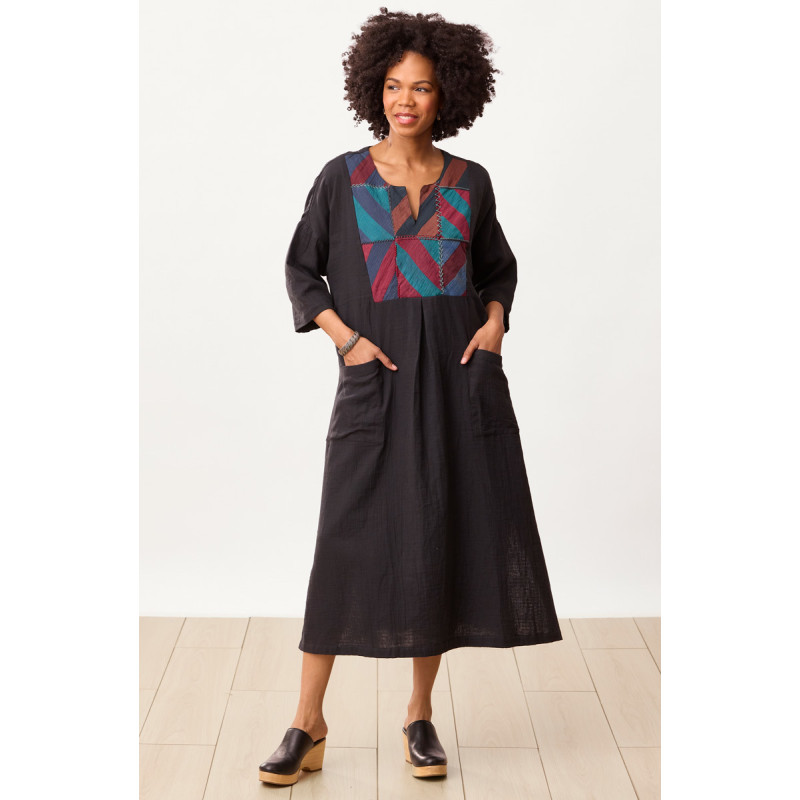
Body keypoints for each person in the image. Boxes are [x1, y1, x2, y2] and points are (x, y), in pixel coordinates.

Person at [258, 7, 562, 787]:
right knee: (343, 544)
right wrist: (346, 340)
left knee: (436, 536)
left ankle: (419, 716)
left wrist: (494, 322)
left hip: (459, 387)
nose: (405, 100)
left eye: (421, 88)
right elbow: (301, 271)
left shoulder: (470, 182)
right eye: (394, 86)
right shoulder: (342, 178)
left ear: (446, 94)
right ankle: (307, 721)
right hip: (377, 386)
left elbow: (498, 270)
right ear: (375, 90)